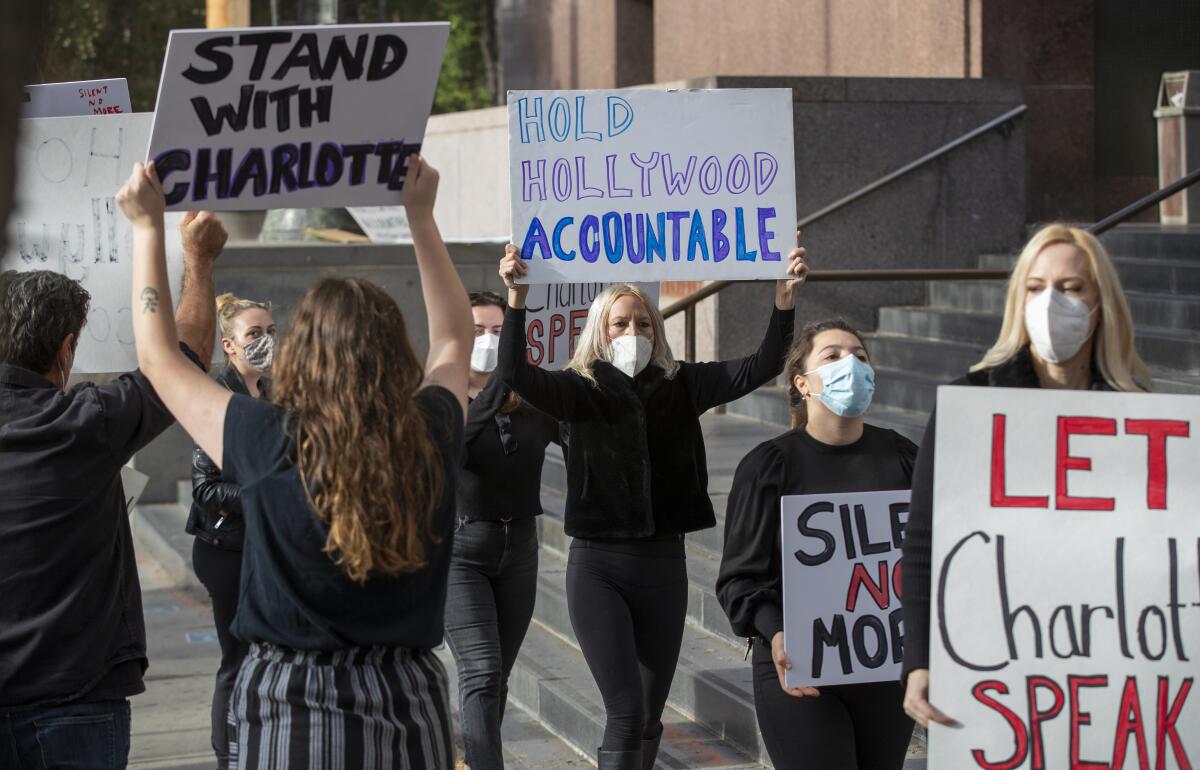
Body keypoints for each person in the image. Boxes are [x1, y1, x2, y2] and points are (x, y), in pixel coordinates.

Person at [116, 155, 473, 768]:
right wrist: (420, 218)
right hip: (411, 702)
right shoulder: (431, 431)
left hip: (292, 709)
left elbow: (160, 360)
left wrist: (148, 228)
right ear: (393, 350)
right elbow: (454, 341)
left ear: (301, 355)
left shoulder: (264, 437)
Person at [496, 242, 807, 769]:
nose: (633, 333)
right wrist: (516, 300)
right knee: (624, 710)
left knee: (649, 716)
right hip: (598, 569)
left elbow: (760, 366)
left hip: (664, 567)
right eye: (620, 323)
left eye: (643, 323)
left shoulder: (681, 382)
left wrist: (783, 301)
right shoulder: (578, 389)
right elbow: (514, 375)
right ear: (600, 331)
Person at [900, 223, 1152, 728]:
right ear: (1018, 300)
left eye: (1071, 287)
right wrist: (920, 660)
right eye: (1036, 288)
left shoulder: (1142, 418)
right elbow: (925, 544)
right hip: (993, 660)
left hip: (1108, 661)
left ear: (1101, 302)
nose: (1051, 302)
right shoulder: (968, 405)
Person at [0, 211, 224, 769]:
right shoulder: (87, 422)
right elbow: (185, 359)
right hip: (75, 701)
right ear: (66, 350)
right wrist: (198, 259)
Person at [716, 320, 916, 769]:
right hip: (798, 665)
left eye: (860, 357)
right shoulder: (769, 466)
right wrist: (776, 632)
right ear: (802, 383)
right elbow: (739, 581)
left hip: (886, 668)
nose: (851, 365)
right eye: (832, 356)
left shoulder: (904, 457)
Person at [445, 290, 562, 770]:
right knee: (482, 670)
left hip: (520, 549)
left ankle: (471, 755)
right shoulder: (442, 399)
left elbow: (582, 436)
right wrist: (507, 372)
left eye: (498, 330)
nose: (489, 341)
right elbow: (456, 444)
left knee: (499, 675)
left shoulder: (532, 399)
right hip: (461, 549)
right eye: (478, 331)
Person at [185, 292, 275, 770]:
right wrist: (271, 496)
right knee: (236, 659)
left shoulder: (276, 392)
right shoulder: (216, 396)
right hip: (226, 548)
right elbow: (206, 489)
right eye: (254, 334)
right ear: (229, 345)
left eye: (271, 331)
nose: (265, 341)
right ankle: (228, 754)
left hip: (266, 548)